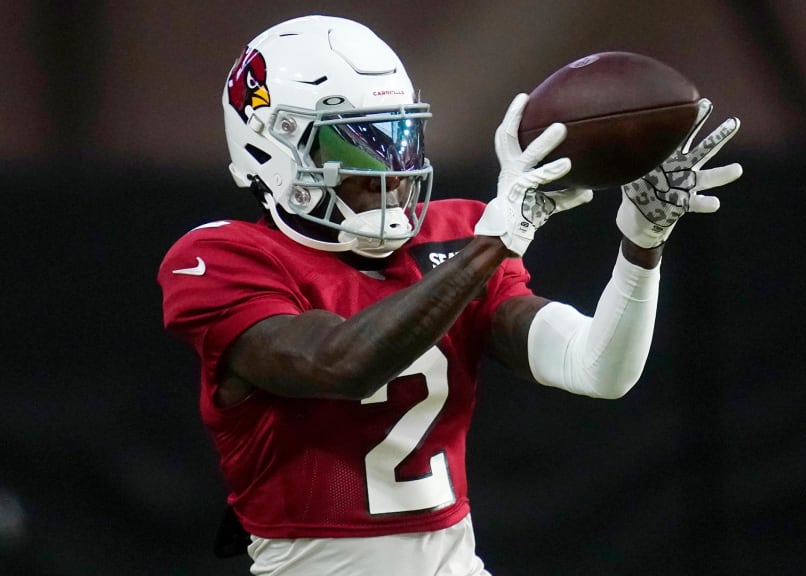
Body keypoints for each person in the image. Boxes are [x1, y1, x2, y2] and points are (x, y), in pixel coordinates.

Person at [158, 14, 742, 576]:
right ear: (270, 152)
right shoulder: (225, 258)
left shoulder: (457, 237)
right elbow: (341, 364)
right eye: (356, 148)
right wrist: (494, 242)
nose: (388, 170)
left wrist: (641, 244)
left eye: (397, 139)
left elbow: (595, 367)